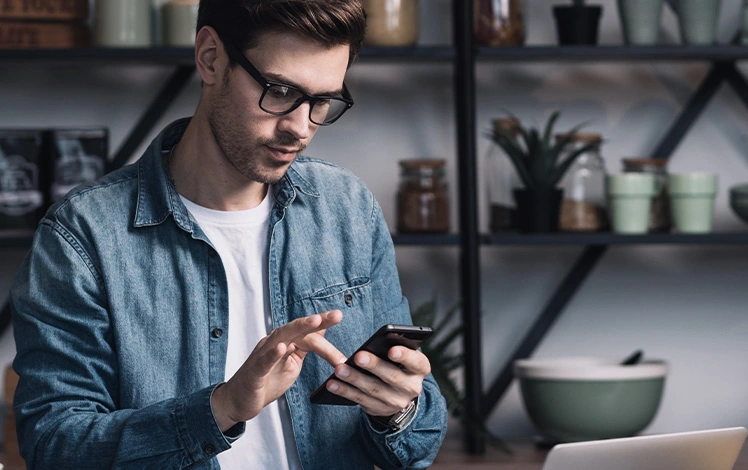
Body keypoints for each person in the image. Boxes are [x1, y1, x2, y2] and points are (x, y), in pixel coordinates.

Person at [9, 0, 448, 469]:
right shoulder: (84, 237)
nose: (299, 128)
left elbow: (418, 445)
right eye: (280, 91)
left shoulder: (348, 208)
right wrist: (222, 408)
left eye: (322, 102)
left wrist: (399, 409)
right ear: (211, 57)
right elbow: (54, 445)